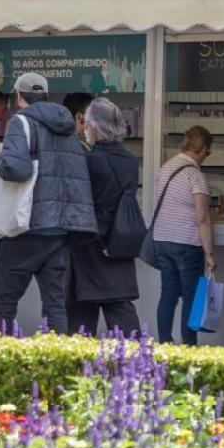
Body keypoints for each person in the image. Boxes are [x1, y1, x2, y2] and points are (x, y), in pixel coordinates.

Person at [0, 73, 97, 336]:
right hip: (59, 229)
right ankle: (55, 365)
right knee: (55, 307)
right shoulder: (68, 127)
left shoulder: (20, 121)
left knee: (4, 303)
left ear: (19, 96)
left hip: (27, 226)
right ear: (46, 95)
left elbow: (17, 168)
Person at [70, 98, 141, 336]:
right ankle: (135, 368)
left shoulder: (90, 160)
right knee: (122, 313)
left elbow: (80, 202)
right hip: (120, 243)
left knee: (81, 317)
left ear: (95, 127)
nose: (85, 128)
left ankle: (81, 370)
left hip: (89, 243)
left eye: (86, 123)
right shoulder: (131, 161)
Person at [151, 126, 216, 345]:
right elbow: (202, 217)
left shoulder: (165, 168)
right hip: (187, 242)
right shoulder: (194, 174)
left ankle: (165, 344)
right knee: (191, 297)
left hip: (162, 239)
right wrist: (209, 253)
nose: (206, 158)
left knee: (168, 293)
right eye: (207, 153)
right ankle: (188, 347)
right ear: (203, 149)